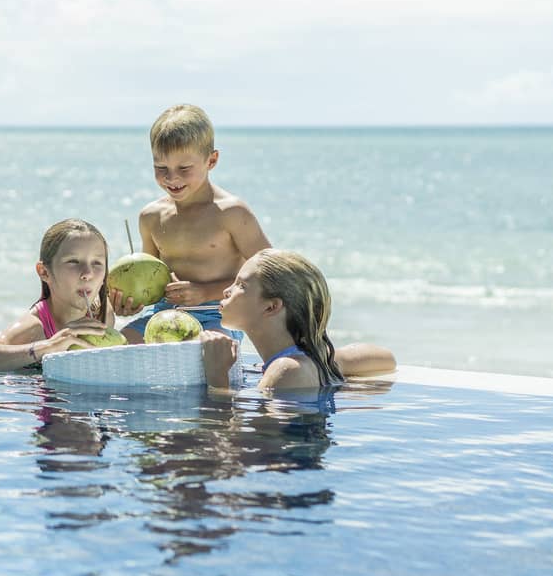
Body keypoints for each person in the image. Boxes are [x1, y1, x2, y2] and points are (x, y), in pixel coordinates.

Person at [111, 104, 272, 343]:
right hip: (162, 315)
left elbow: (269, 276)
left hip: (217, 316)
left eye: (184, 168)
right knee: (120, 347)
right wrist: (131, 303)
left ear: (212, 160)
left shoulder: (231, 212)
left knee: (209, 350)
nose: (171, 178)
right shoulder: (151, 217)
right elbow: (150, 283)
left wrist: (205, 292)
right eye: (161, 168)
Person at [200, 248, 397, 393]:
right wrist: (334, 361)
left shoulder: (286, 371)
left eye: (240, 285)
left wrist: (218, 379)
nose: (227, 291)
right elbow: (386, 358)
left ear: (271, 306)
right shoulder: (316, 358)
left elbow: (246, 447)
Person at [0, 219, 118, 374]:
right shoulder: (35, 328)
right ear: (44, 272)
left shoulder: (103, 316)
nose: (87, 274)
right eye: (73, 261)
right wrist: (49, 346)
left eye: (97, 263)